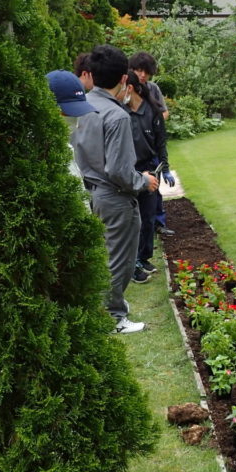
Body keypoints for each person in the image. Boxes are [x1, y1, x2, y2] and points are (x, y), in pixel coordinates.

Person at [72, 45, 159, 334]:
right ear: (124, 79)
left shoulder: (84, 106)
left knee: (105, 256)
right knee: (119, 260)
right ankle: (114, 318)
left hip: (93, 192)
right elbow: (120, 171)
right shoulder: (117, 116)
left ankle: (111, 307)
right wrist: (143, 182)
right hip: (115, 197)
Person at [123, 69, 172, 285]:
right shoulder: (120, 112)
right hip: (130, 171)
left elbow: (161, 141)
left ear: (130, 87)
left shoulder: (151, 110)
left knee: (148, 217)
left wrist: (166, 168)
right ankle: (132, 263)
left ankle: (143, 257)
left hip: (150, 169)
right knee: (132, 219)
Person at [128, 52, 175, 236]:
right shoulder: (126, 90)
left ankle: (158, 223)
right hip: (134, 148)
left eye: (146, 72)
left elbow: (163, 113)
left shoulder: (153, 89)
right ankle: (138, 229)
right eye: (139, 70)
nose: (142, 75)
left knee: (154, 189)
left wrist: (152, 121)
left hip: (152, 144)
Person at [44, 69, 94, 181]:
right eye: (68, 111)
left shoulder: (65, 146)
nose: (74, 118)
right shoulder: (34, 149)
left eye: (77, 112)